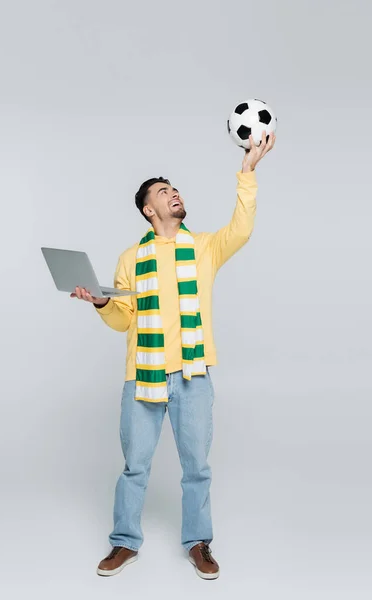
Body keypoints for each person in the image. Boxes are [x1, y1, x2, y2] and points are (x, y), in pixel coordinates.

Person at [71, 132, 276, 579]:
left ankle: (199, 543)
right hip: (141, 375)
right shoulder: (131, 258)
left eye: (175, 189)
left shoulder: (203, 247)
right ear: (149, 209)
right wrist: (102, 303)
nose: (174, 193)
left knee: (196, 467)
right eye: (164, 192)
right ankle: (124, 543)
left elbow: (241, 228)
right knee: (134, 467)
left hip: (192, 374)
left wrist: (247, 174)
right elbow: (125, 319)